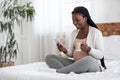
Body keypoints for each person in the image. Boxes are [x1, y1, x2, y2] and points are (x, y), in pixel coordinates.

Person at [45, 6, 106, 74]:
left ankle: (61, 71)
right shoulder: (74, 33)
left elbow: (101, 55)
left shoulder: (96, 32)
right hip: (75, 63)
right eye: (73, 21)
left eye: (77, 20)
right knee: (49, 57)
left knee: (89, 60)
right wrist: (65, 50)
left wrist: (89, 49)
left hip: (92, 65)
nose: (75, 23)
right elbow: (71, 54)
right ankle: (71, 70)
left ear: (85, 18)